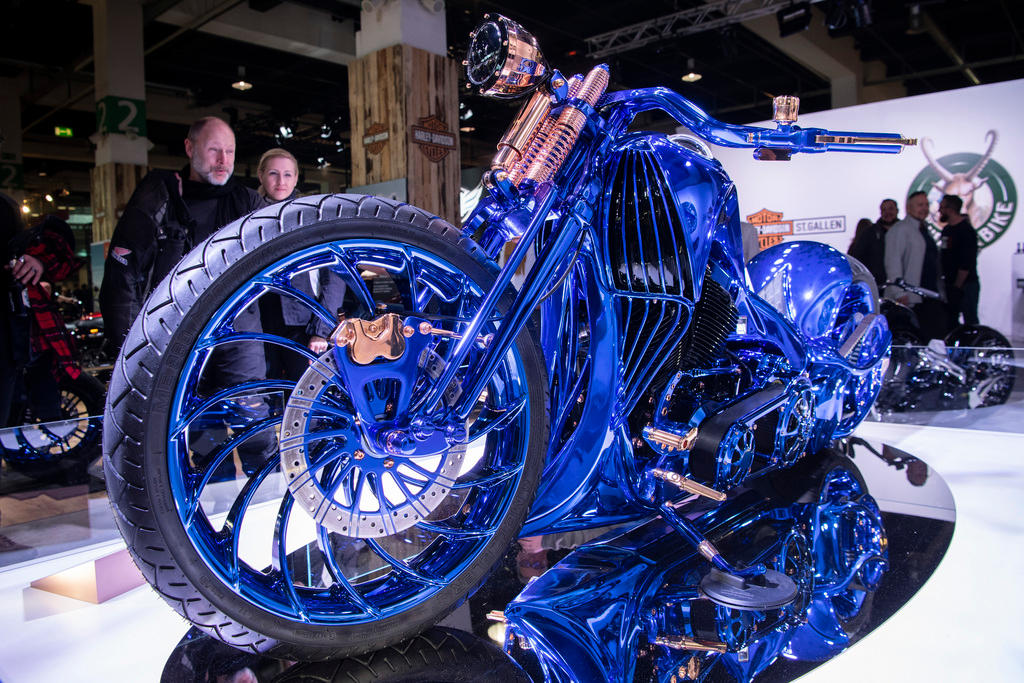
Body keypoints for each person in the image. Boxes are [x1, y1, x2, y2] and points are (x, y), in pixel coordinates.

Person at [99, 116, 270, 477]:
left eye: (230, 152)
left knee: (256, 433)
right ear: (190, 148)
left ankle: (270, 510)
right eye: (213, 150)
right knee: (201, 438)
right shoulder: (159, 198)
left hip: (239, 340)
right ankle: (209, 511)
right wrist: (128, 355)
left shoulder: (247, 202)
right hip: (181, 342)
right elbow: (121, 277)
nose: (223, 160)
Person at [885, 190, 945, 340]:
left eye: (926, 204)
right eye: (920, 205)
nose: (924, 208)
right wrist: (899, 292)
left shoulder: (923, 229)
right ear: (909, 208)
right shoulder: (900, 230)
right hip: (912, 297)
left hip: (929, 294)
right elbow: (893, 262)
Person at [938, 194, 980, 326]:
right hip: (949, 285)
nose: (939, 211)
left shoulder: (966, 231)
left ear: (950, 209)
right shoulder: (946, 230)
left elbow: (966, 262)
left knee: (970, 320)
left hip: (966, 285)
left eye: (942, 207)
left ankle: (972, 345)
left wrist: (957, 286)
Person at [849, 199, 897, 286]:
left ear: (897, 210)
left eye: (890, 209)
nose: (887, 213)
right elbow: (858, 257)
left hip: (902, 284)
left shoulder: (905, 232)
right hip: (877, 285)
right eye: (884, 210)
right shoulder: (870, 233)